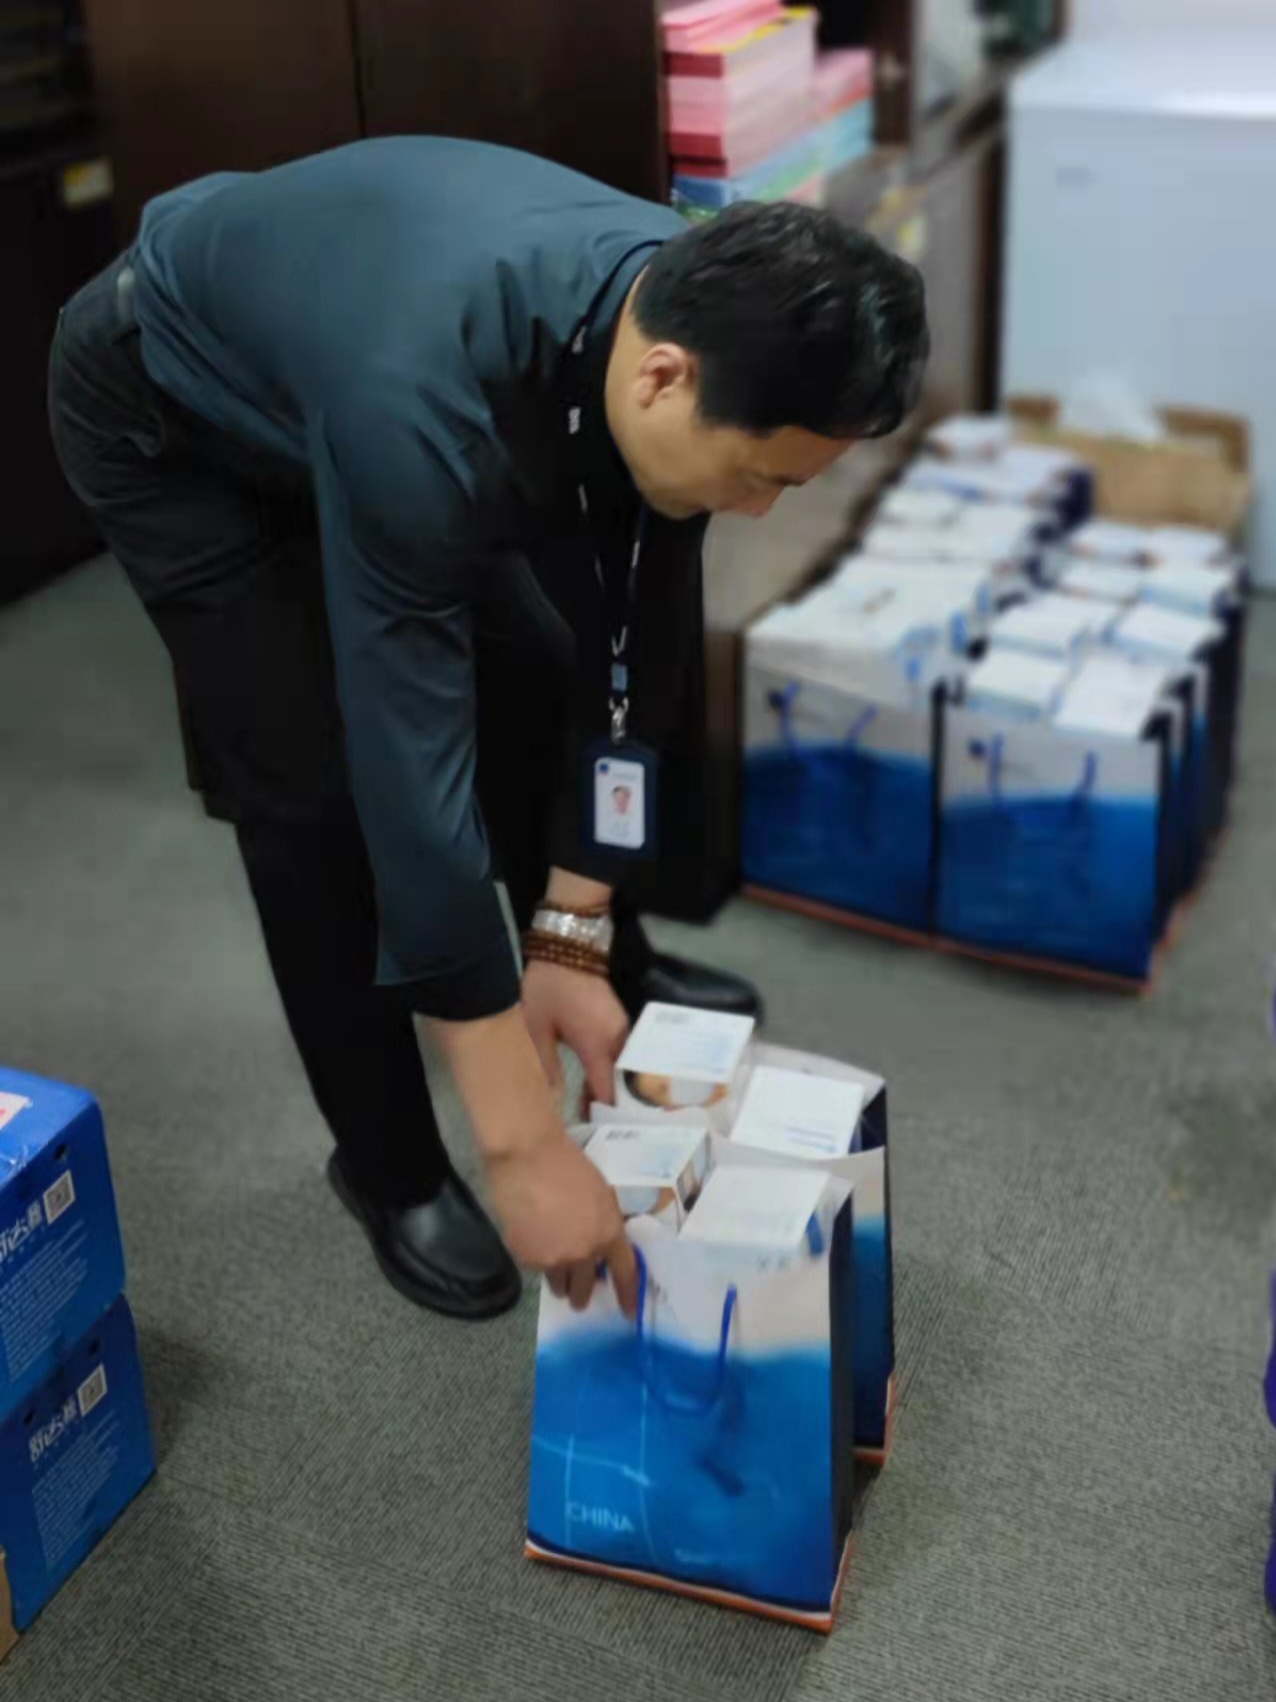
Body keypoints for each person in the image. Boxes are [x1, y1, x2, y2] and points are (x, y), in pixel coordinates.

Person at [48, 137, 928, 1325]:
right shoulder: (424, 402)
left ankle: (592, 966)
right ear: (661, 378)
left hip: (336, 358)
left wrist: (575, 924)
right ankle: (390, 1168)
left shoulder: (691, 306)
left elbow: (638, 644)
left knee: (545, 662)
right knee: (313, 795)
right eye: (760, 476)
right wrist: (520, 1142)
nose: (762, 509)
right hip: (171, 416)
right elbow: (410, 760)